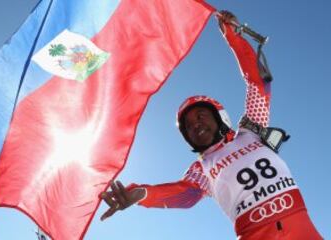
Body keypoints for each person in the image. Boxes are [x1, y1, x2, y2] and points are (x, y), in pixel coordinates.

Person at [99, 11, 323, 239]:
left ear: (219, 117)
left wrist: (233, 36)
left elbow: (257, 83)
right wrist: (142, 194)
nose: (194, 125)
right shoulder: (202, 168)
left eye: (200, 116)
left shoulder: (251, 131)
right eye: (187, 126)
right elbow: (185, 195)